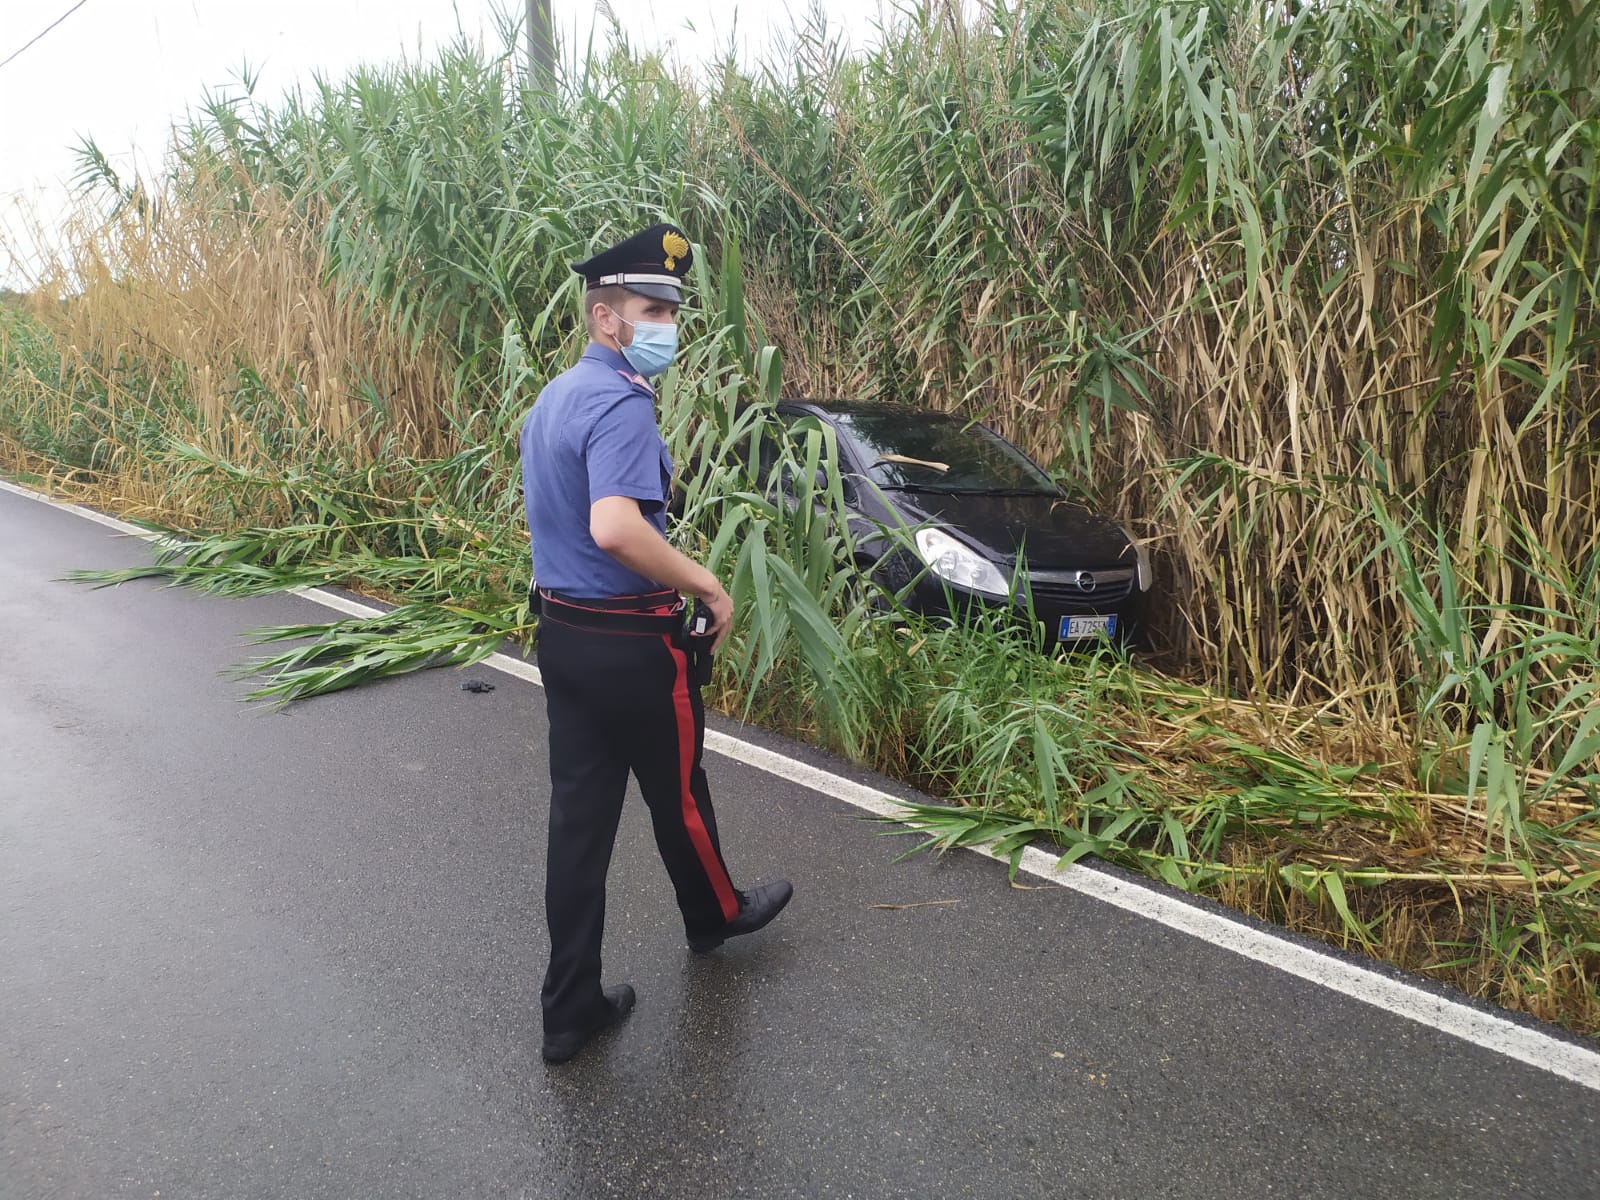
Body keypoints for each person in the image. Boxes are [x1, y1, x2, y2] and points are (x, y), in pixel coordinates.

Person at [519, 222, 794, 1065]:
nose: (668, 325)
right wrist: (706, 584)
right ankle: (715, 913)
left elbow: (560, 521)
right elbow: (613, 526)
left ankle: (569, 1008)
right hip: (634, 645)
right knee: (677, 793)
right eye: (652, 310)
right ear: (606, 318)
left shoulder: (554, 398)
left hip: (563, 634)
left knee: (579, 822)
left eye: (672, 310)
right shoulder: (622, 401)